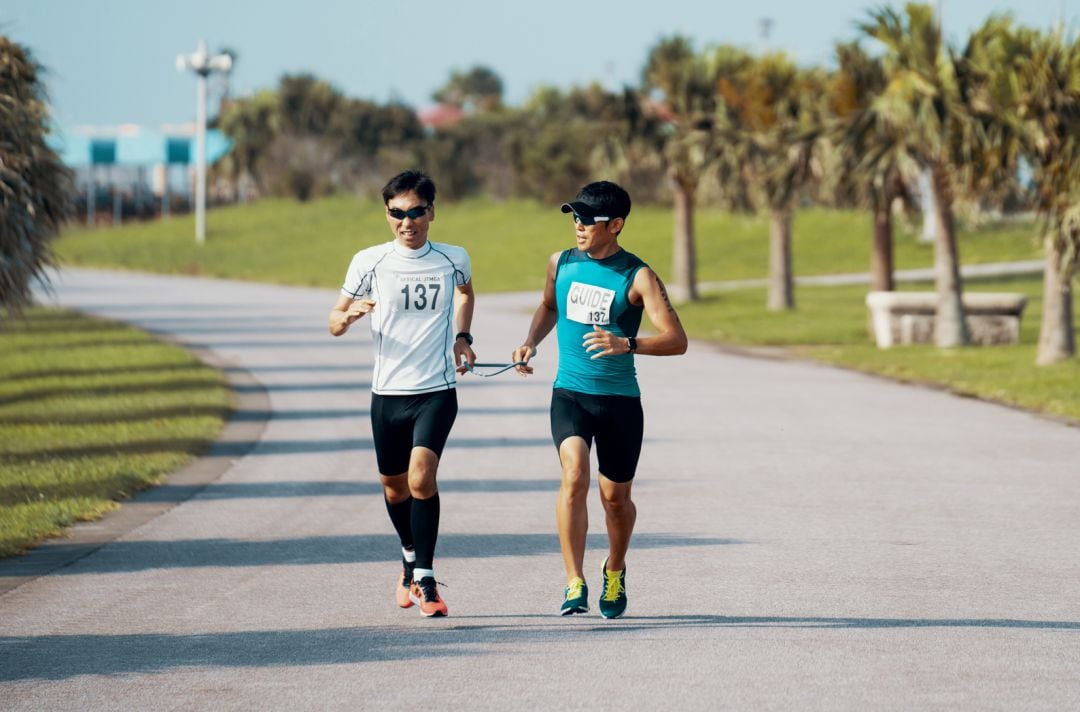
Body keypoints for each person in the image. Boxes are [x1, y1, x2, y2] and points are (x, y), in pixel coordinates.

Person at [512, 180, 688, 619]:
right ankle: (575, 582)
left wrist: (627, 343)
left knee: (615, 500)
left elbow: (677, 340)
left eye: (588, 220)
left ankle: (615, 567)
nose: (579, 226)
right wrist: (530, 341)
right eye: (575, 217)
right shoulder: (562, 262)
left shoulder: (638, 275)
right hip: (570, 393)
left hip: (619, 402)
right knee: (574, 476)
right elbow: (549, 306)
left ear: (616, 225)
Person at [329, 170, 476, 618]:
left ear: (432, 212)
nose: (406, 222)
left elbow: (466, 292)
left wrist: (462, 337)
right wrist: (349, 315)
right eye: (397, 213)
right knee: (395, 490)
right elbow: (333, 322)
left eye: (415, 212)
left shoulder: (452, 258)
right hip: (387, 394)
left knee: (420, 479)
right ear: (387, 214)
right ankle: (409, 560)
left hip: (436, 391)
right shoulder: (369, 262)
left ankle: (427, 581)